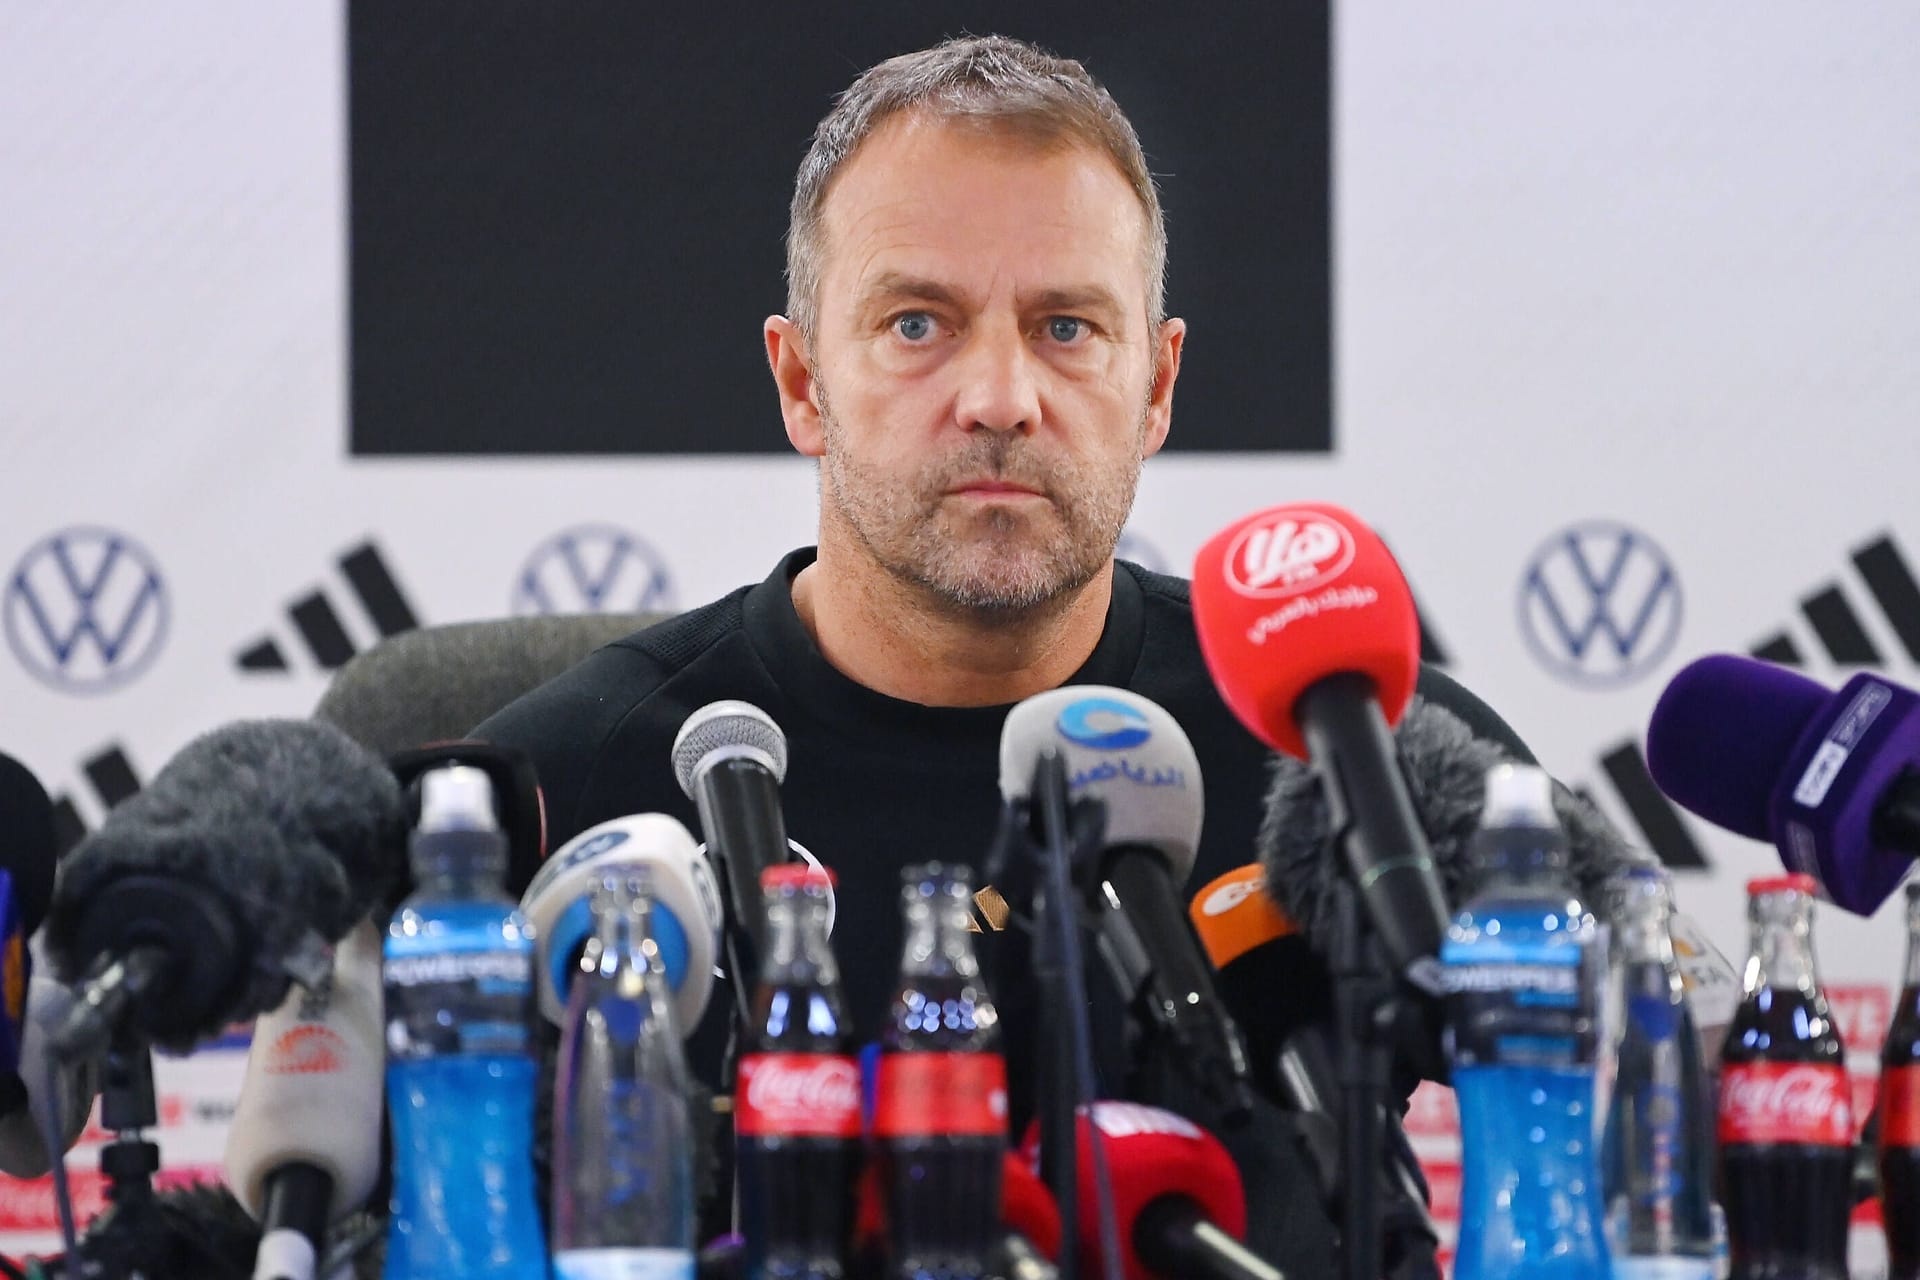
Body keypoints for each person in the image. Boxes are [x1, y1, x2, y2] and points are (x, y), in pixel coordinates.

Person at [476, 33, 1527, 1270]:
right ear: (803, 381)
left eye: (1069, 326)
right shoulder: (562, 791)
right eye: (918, 322)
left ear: (1158, 386)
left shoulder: (1347, 748)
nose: (999, 395)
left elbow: (1636, 1132)